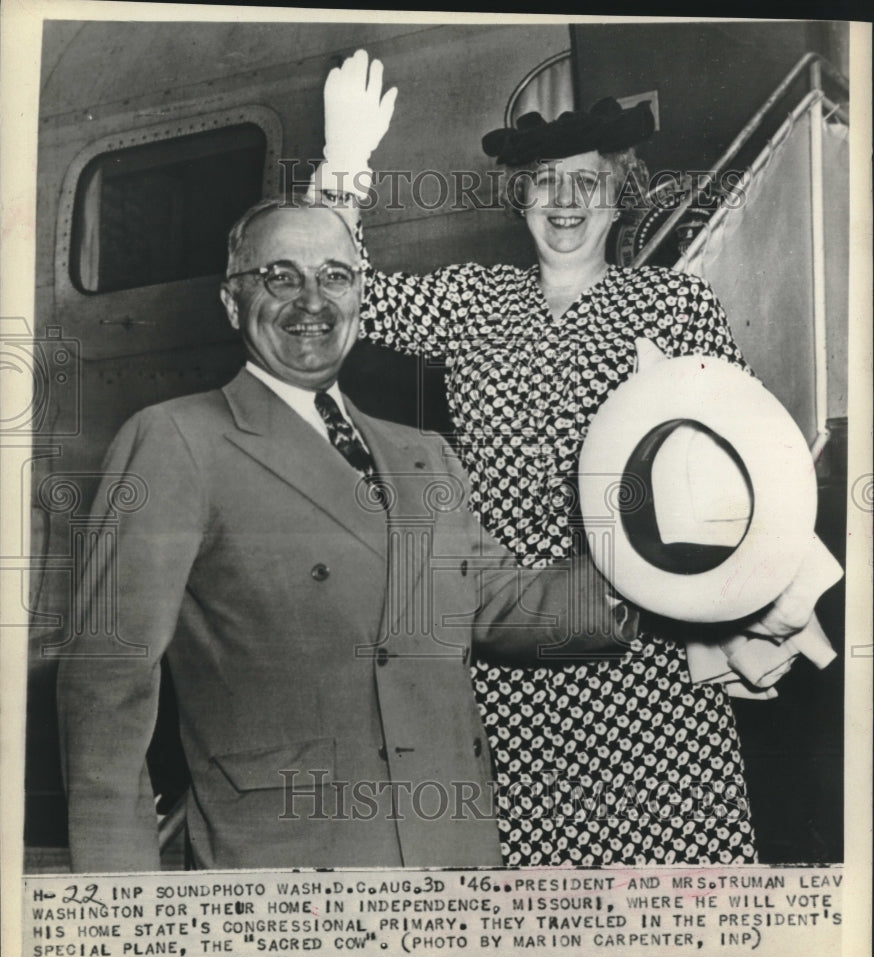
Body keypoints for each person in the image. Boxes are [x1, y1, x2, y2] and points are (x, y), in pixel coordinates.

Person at [57, 200, 636, 873]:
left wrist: (651, 572)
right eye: (280, 276)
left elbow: (494, 602)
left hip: (452, 859)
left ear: (362, 295)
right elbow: (107, 678)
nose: (313, 301)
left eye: (335, 275)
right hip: (289, 868)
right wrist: (120, 898)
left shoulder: (423, 454)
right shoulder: (178, 438)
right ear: (231, 300)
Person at [311, 51, 765, 866]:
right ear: (519, 196)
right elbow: (346, 291)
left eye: (587, 183)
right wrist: (345, 166)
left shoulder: (673, 304)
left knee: (673, 910)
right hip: (510, 662)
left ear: (618, 195)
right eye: (544, 182)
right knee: (534, 916)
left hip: (646, 666)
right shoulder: (474, 300)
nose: (564, 202)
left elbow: (745, 481)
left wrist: (746, 621)